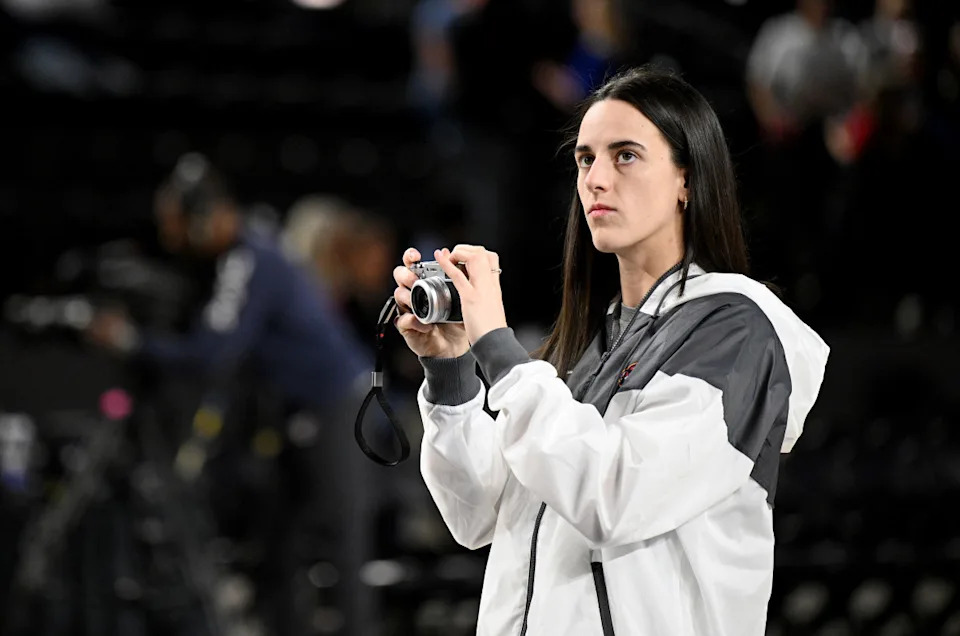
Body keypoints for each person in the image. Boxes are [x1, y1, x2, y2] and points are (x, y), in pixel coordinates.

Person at [391, 66, 830, 635]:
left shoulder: (737, 327)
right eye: (585, 159)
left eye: (625, 155)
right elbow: (478, 515)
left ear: (687, 179)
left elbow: (613, 495)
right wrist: (451, 372)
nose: (597, 178)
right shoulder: (593, 345)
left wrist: (499, 347)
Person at [85, 152, 377, 636]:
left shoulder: (250, 257)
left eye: (176, 224)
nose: (171, 238)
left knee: (343, 548)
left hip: (337, 408)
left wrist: (131, 341)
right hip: (294, 411)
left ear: (205, 218)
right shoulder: (237, 258)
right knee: (278, 551)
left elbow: (213, 354)